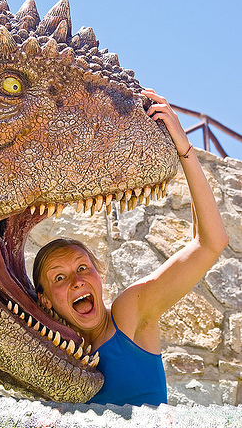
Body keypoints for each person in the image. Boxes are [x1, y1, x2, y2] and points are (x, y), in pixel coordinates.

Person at [32, 89, 229, 407]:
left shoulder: (130, 313)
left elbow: (211, 243)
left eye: (83, 268)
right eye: (59, 278)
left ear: (100, 276)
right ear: (44, 300)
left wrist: (184, 149)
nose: (77, 281)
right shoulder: (51, 357)